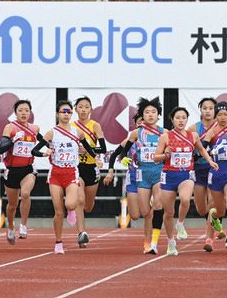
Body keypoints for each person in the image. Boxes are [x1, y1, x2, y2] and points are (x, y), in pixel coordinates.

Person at [32, 100, 96, 254]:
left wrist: (94, 158)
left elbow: (90, 150)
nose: (66, 114)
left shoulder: (77, 133)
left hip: (71, 173)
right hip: (55, 174)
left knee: (71, 204)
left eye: (68, 111)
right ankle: (58, 242)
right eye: (63, 111)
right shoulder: (51, 133)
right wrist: (45, 153)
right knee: (58, 211)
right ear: (57, 114)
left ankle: (71, 210)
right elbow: (34, 151)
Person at [154, 106, 216, 256]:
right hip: (169, 175)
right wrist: (165, 155)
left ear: (187, 119)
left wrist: (210, 161)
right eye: (178, 118)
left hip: (186, 174)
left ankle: (180, 223)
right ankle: (171, 242)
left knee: (185, 199)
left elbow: (201, 149)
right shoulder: (166, 137)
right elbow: (156, 158)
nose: (181, 120)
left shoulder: (193, 135)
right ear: (172, 120)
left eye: (183, 118)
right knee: (168, 213)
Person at [107, 97, 166, 254]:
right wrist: (123, 158)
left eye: (153, 112)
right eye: (146, 113)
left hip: (158, 172)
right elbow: (121, 151)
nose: (149, 116)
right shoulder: (135, 135)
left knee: (157, 206)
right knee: (138, 214)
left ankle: (150, 242)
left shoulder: (163, 133)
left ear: (158, 114)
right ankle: (152, 211)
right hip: (137, 176)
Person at [198, 102, 227, 252]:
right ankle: (213, 219)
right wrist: (211, 151)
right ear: (216, 116)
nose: (223, 117)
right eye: (220, 114)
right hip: (215, 173)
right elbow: (202, 148)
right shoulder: (212, 132)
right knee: (217, 210)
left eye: (225, 114)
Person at [0, 99, 38, 244]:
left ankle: (23, 225)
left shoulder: (35, 129)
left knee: (26, 193)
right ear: (15, 113)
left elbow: (42, 143)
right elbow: (1, 148)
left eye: (26, 110)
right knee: (12, 205)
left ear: (30, 112)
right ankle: (10, 226)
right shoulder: (10, 127)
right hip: (12, 170)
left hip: (28, 169)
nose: (24, 113)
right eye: (20, 110)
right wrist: (13, 139)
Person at [72, 97, 107, 241]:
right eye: (80, 107)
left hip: (91, 167)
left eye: (86, 107)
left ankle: (77, 209)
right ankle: (81, 233)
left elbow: (103, 148)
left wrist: (88, 149)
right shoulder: (71, 126)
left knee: (88, 206)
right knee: (79, 200)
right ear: (76, 110)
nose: (83, 110)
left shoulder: (95, 126)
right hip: (76, 166)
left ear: (91, 110)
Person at [187, 97, 218, 243]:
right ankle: (213, 220)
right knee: (201, 209)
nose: (208, 111)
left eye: (211, 108)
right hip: (198, 169)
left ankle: (209, 237)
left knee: (212, 204)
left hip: (215, 168)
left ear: (215, 110)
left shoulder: (222, 127)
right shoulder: (194, 128)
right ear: (200, 110)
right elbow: (186, 147)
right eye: (205, 108)